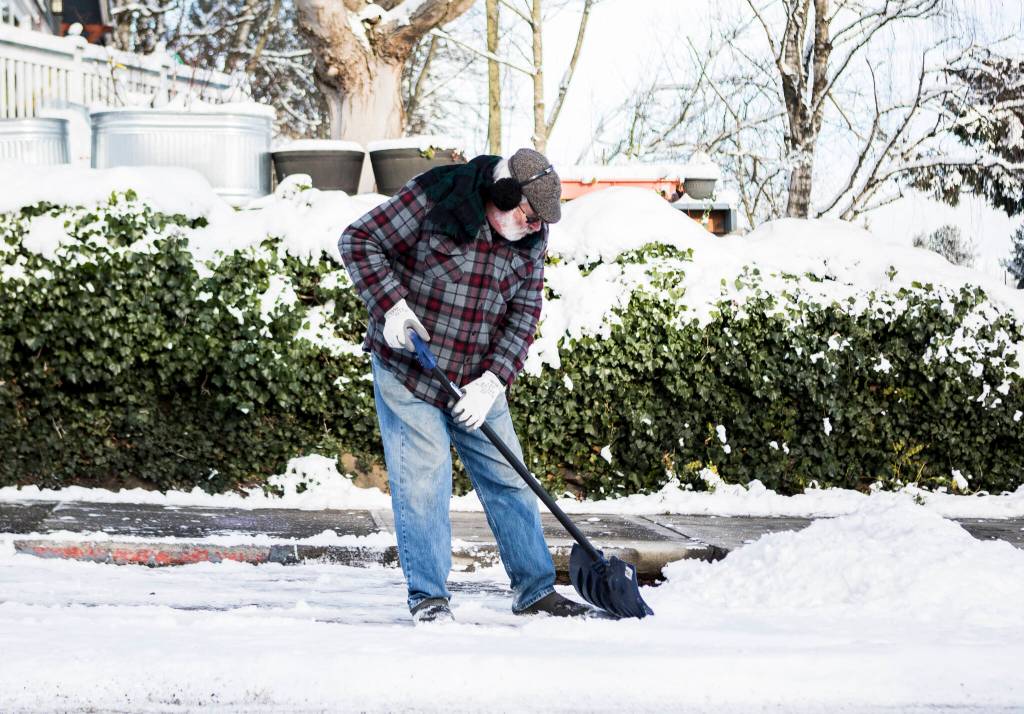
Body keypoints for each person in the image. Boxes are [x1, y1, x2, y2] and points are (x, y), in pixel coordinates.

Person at [339, 148, 592, 624]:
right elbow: (359, 241)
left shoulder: (530, 237)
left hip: (476, 378)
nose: (537, 228)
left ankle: (536, 590)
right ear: (503, 193)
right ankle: (429, 599)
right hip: (411, 368)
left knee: (510, 478)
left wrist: (493, 380)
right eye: (531, 216)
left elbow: (524, 316)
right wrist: (391, 307)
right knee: (425, 481)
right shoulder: (437, 196)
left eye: (543, 222)